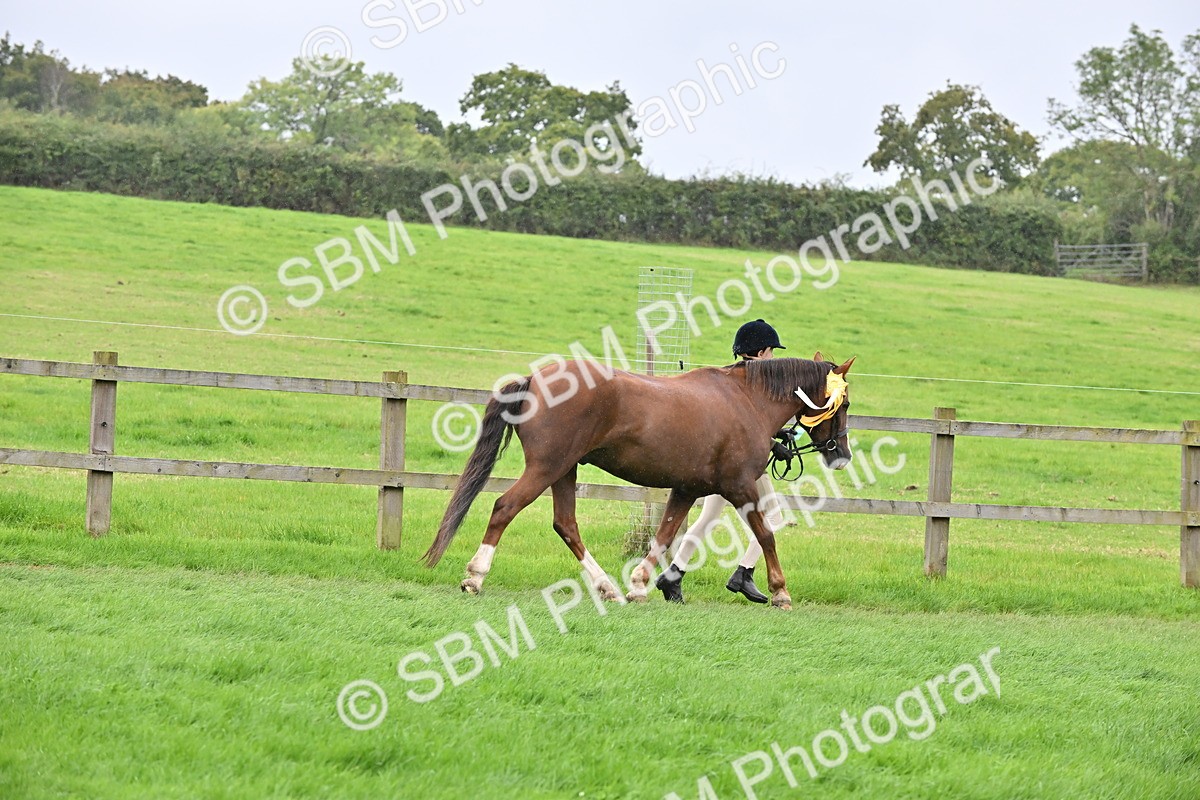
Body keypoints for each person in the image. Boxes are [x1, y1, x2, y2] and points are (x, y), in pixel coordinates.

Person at [654, 319, 788, 605]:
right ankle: (744, 571)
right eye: (772, 351)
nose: (774, 357)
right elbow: (749, 427)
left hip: (718, 463)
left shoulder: (732, 377)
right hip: (742, 466)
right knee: (775, 516)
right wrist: (774, 443)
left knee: (707, 518)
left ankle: (674, 573)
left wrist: (776, 437)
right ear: (763, 351)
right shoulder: (761, 382)